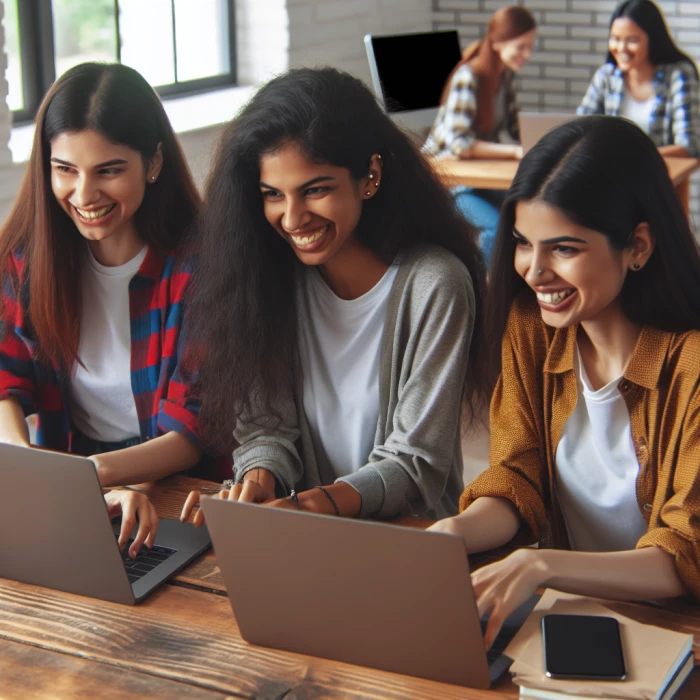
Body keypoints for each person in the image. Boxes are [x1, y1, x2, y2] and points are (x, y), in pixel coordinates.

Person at [429, 115, 700, 649]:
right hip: (574, 623)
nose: (534, 271)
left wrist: (542, 565)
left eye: (564, 249)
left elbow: (686, 554)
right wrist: (451, 536)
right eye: (524, 243)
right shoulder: (532, 330)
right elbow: (516, 477)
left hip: (675, 636)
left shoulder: (691, 364)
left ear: (638, 245)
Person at [180, 66, 491, 525]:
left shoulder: (434, 284)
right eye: (273, 195)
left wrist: (305, 505)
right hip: (303, 536)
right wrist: (255, 485)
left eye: (315, 190)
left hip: (412, 539)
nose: (291, 219)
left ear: (370, 175)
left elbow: (414, 461)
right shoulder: (269, 279)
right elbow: (266, 428)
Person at [0, 63, 217, 554]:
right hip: (73, 484)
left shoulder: (199, 268)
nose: (84, 195)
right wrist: (24, 463)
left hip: (180, 489)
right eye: (65, 171)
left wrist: (93, 479)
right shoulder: (26, 260)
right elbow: (5, 382)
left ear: (153, 162)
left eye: (109, 171)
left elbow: (189, 433)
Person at [423, 6, 537, 265]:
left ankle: (511, 284)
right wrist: (513, 152)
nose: (526, 55)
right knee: (496, 228)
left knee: (527, 208)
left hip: (480, 178)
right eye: (521, 47)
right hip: (449, 182)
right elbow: (459, 145)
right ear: (497, 43)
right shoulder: (468, 77)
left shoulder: (502, 77)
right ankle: (485, 293)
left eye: (530, 47)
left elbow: (514, 129)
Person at [577, 0, 699, 158]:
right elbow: (579, 130)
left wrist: (636, 159)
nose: (621, 48)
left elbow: (690, 146)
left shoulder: (678, 76)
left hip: (659, 176)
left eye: (632, 41)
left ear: (653, 40)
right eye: (615, 39)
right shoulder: (607, 76)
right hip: (609, 173)